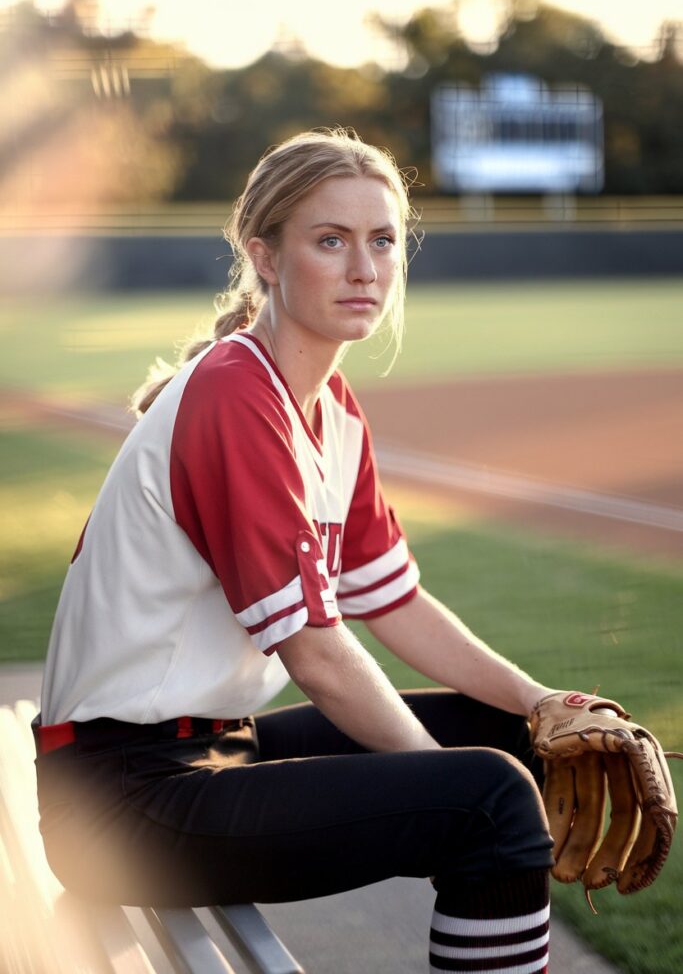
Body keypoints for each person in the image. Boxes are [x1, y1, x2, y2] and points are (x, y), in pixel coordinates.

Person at [35, 128, 558, 974]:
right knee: (489, 799)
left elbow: (392, 601)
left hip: (212, 749)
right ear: (265, 258)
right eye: (330, 240)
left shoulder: (331, 408)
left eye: (381, 241)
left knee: (515, 738)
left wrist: (541, 701)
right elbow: (314, 651)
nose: (364, 267)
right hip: (119, 801)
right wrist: (441, 793)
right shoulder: (234, 395)